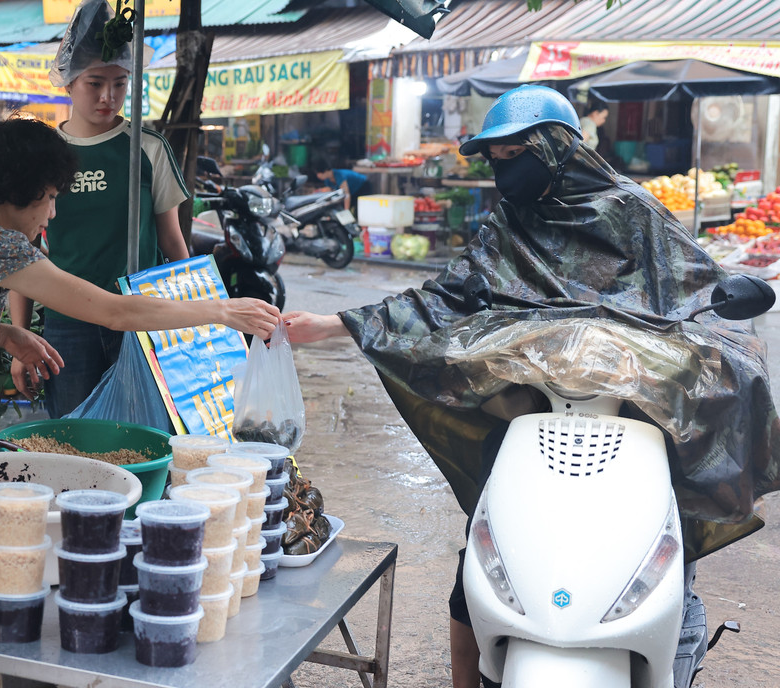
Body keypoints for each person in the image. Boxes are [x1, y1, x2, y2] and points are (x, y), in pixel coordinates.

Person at [282, 85, 779, 688]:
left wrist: (722, 330)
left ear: (551, 150)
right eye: (494, 160)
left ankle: (674, 619)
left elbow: (702, 289)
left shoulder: (630, 212)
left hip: (630, 427)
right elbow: (442, 299)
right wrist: (331, 326)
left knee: (674, 542)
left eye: (513, 154)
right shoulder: (505, 228)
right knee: (480, 562)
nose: (502, 172)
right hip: (533, 425)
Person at [0, 117, 280, 598]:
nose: (54, 213)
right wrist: (219, 309)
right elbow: (114, 311)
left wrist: (4, 335)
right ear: (20, 191)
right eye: (51, 196)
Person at [9, 0, 188, 423]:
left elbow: (174, 242)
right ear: (69, 83)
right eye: (94, 83)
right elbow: (21, 253)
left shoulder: (148, 148)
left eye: (120, 84)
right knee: (73, 439)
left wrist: (194, 319)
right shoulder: (44, 154)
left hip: (141, 315)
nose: (108, 97)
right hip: (67, 322)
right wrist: (21, 337)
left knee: (142, 433)